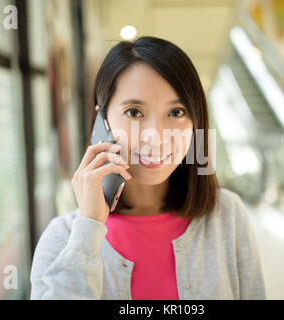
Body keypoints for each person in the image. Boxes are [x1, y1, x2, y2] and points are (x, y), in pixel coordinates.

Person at [29, 36, 266, 300]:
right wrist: (89, 228)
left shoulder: (227, 216)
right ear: (102, 120)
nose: (156, 135)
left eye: (176, 112)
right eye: (134, 112)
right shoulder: (64, 238)